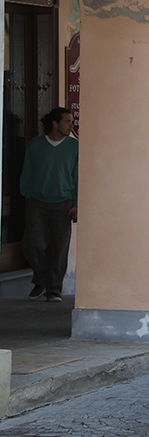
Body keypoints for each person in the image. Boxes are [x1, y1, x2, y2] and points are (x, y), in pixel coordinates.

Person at [20, 107, 78, 302]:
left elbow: (78, 177)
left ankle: (53, 289)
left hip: (64, 203)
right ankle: (41, 278)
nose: (71, 125)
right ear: (55, 123)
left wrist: (77, 203)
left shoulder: (74, 147)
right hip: (38, 201)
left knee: (59, 248)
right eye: (67, 121)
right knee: (33, 243)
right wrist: (28, 194)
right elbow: (27, 173)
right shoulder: (36, 145)